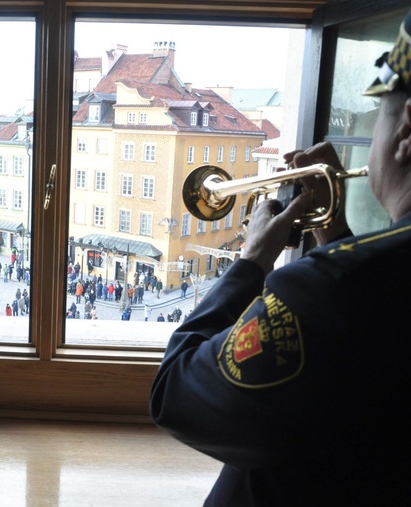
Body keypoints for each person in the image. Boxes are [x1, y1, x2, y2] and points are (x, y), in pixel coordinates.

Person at [151, 13, 411, 505]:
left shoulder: (328, 285)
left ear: (407, 130)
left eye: (380, 116)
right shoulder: (358, 279)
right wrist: (332, 228)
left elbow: (175, 395)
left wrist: (251, 260)